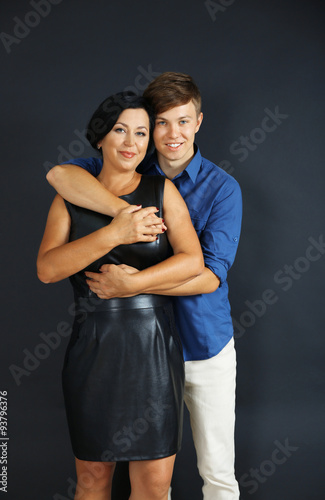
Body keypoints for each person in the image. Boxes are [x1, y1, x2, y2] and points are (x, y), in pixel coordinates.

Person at [47, 72, 243, 499]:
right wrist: (127, 220)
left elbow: (208, 274)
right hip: (137, 348)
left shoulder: (223, 189)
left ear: (199, 123)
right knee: (136, 480)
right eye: (161, 123)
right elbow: (60, 176)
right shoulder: (125, 164)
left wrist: (132, 285)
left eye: (184, 121)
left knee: (216, 472)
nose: (173, 133)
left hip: (202, 343)